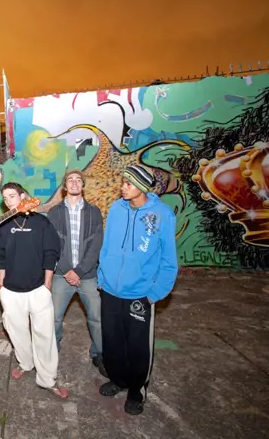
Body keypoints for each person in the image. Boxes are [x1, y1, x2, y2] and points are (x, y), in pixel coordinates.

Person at [97, 164, 178, 415]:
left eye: (128, 184)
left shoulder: (161, 214)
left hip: (140, 294)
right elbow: (107, 245)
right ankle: (119, 380)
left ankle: (136, 390)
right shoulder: (117, 209)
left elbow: (168, 260)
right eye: (123, 182)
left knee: (139, 347)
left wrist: (154, 294)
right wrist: (102, 276)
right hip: (110, 290)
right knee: (112, 342)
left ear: (141, 187)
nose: (123, 187)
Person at [0, 182, 68, 398]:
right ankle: (25, 363)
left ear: (23, 196)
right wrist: (1, 285)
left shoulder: (41, 223)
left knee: (44, 335)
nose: (9, 201)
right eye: (5, 198)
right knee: (17, 332)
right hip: (10, 290)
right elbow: (0, 258)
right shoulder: (3, 226)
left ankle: (47, 378)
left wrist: (47, 284)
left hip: (38, 289)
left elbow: (51, 253)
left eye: (12, 196)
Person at [47, 170, 107, 377]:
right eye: (70, 180)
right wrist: (67, 271)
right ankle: (52, 350)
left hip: (88, 275)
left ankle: (99, 353)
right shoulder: (54, 213)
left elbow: (96, 244)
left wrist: (79, 271)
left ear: (83, 185)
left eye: (78, 180)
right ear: (65, 187)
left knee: (97, 317)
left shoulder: (94, 212)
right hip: (61, 275)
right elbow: (52, 245)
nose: (74, 183)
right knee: (53, 317)